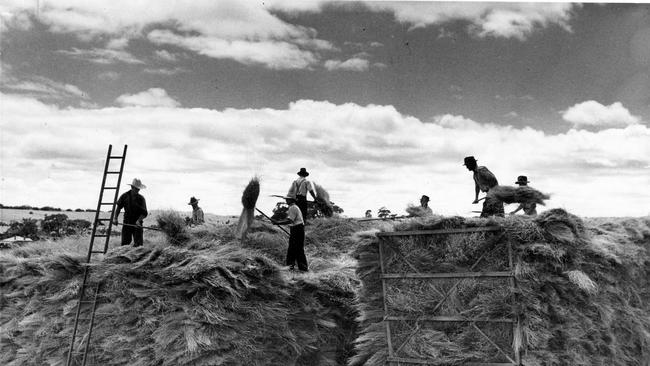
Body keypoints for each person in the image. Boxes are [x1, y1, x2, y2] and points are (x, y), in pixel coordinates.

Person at [273, 196, 308, 272]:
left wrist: (278, 223)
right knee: (298, 249)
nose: (286, 200)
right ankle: (302, 268)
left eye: (287, 199)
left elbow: (290, 221)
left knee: (293, 249)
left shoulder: (292, 208)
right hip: (298, 229)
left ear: (291, 200)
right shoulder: (294, 207)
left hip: (297, 229)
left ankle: (290, 268)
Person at [113, 178, 148, 247]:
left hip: (137, 224)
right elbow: (118, 208)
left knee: (139, 246)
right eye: (136, 189)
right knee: (125, 244)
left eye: (138, 189)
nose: (137, 190)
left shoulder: (141, 198)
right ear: (132, 187)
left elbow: (144, 213)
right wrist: (115, 218)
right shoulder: (124, 196)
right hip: (127, 223)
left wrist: (138, 220)